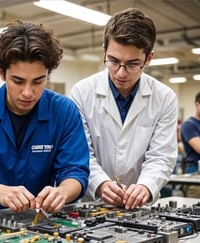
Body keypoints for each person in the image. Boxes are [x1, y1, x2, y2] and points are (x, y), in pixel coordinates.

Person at [0, 20, 89, 214]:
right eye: (18, 81)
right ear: (2, 73)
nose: (28, 93)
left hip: (42, 222)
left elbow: (75, 171)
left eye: (38, 81)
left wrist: (63, 192)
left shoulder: (64, 112)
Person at [69, 8, 178, 210]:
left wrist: (146, 186)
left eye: (132, 64)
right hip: (92, 205)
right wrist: (100, 183)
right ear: (104, 50)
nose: (121, 72)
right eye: (113, 61)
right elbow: (81, 154)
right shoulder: (82, 93)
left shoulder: (164, 98)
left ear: (149, 58)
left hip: (139, 207)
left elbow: (161, 156)